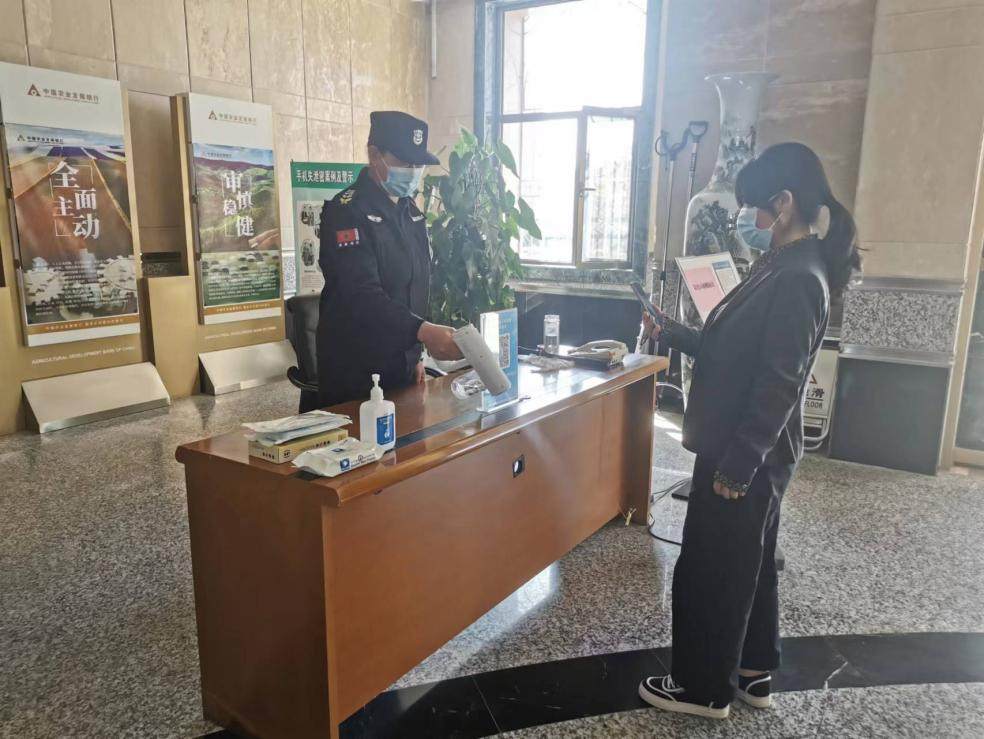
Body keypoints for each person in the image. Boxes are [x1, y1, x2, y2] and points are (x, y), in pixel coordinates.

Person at [637, 142, 861, 719]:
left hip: (745, 451)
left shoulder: (798, 277)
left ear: (782, 204)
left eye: (752, 207)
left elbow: (778, 383)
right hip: (747, 446)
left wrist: (739, 466)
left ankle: (702, 688)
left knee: (713, 567)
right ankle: (753, 671)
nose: (746, 218)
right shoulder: (782, 265)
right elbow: (738, 349)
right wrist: (676, 333)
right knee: (750, 562)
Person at [315, 111, 462, 409]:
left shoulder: (411, 212)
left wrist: (415, 355)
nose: (413, 172)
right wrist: (422, 331)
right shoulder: (347, 212)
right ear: (374, 155)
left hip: (401, 367)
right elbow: (360, 294)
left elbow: (414, 288)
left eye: (418, 165)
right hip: (356, 374)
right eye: (405, 163)